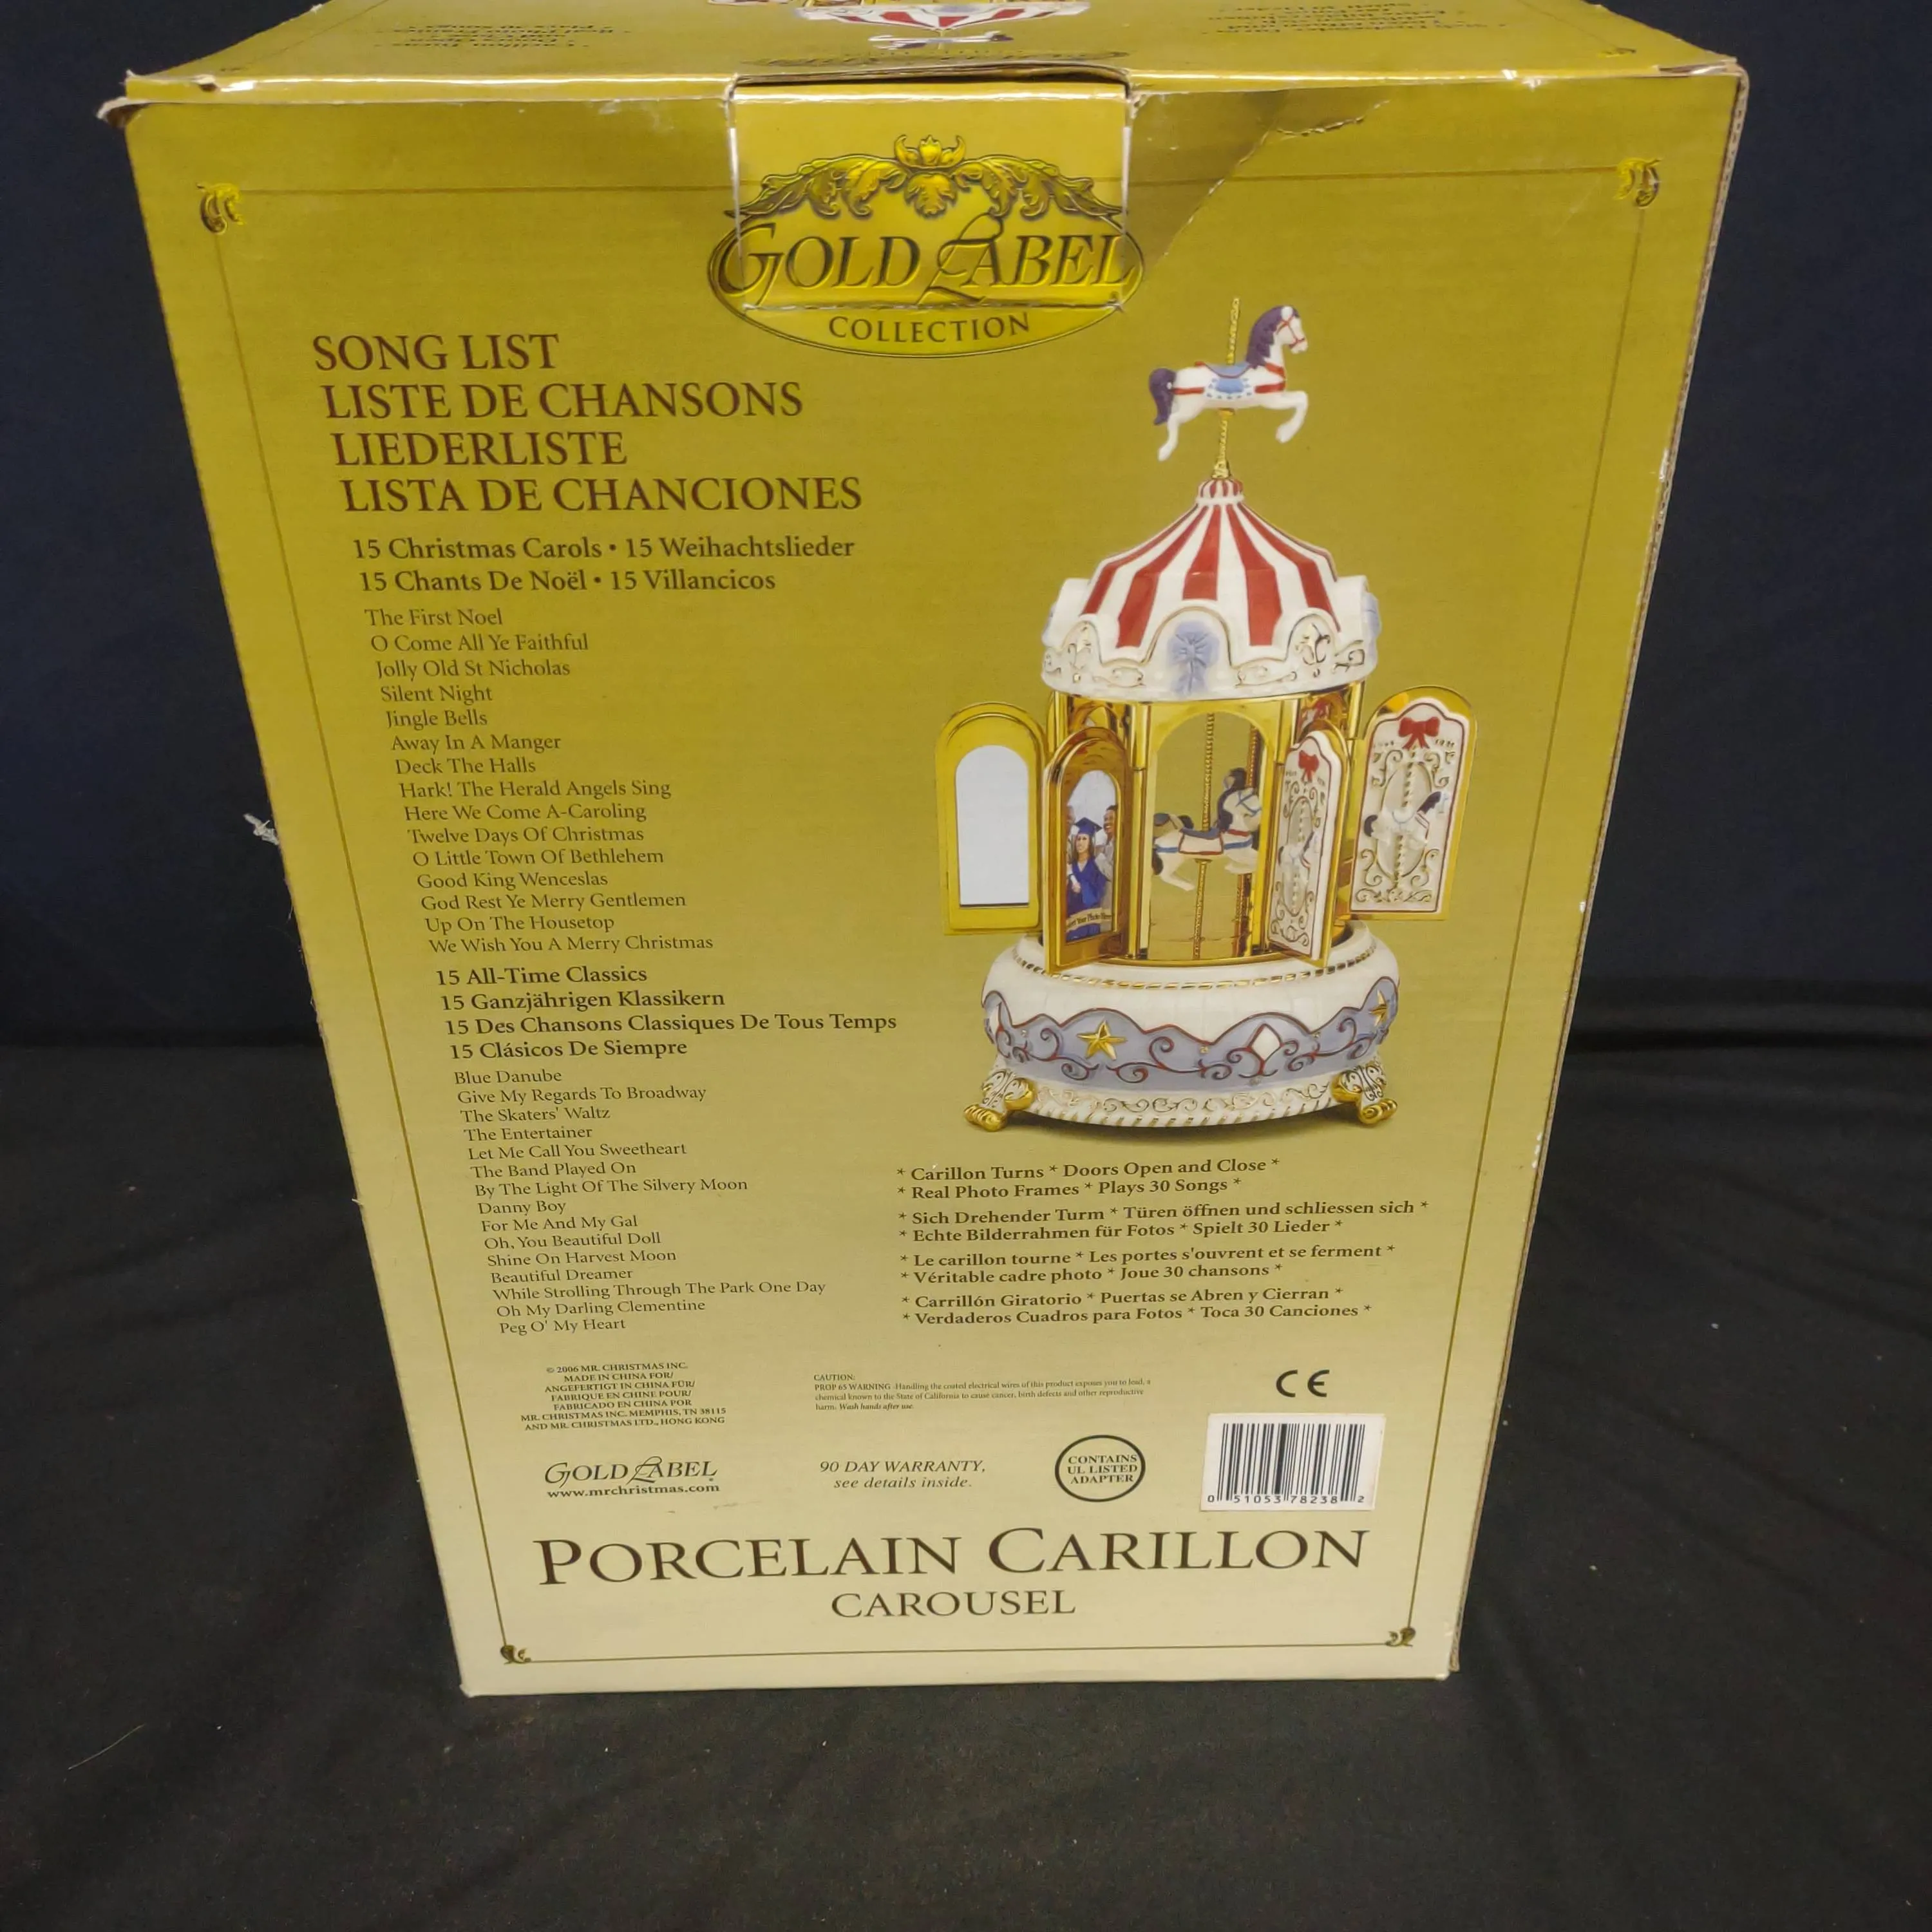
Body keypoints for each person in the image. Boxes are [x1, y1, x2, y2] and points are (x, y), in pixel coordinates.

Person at [1065, 819, 1109, 938]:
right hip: (1072, 921)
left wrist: (1082, 888)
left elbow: (1099, 893)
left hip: (1089, 921)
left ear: (1091, 842)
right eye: (1078, 839)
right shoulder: (1071, 867)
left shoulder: (1097, 866)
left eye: (1084, 839)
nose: (1080, 842)